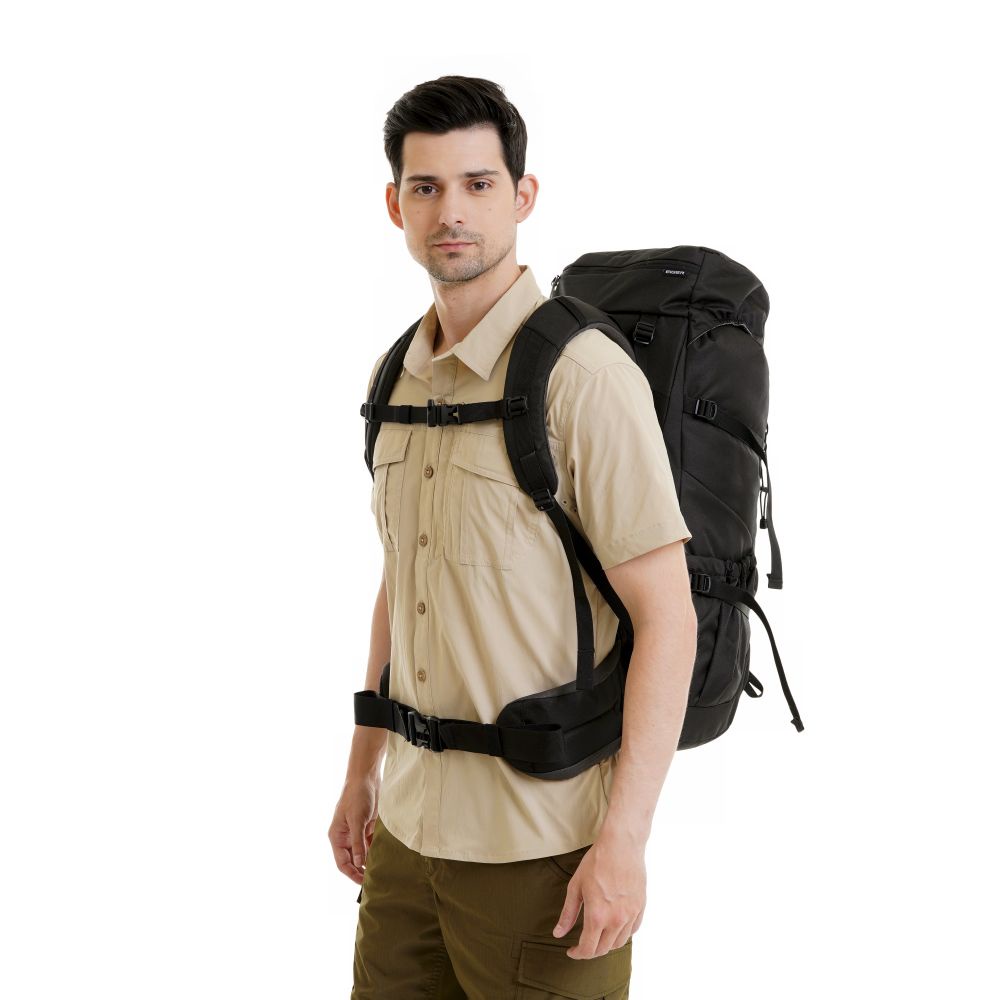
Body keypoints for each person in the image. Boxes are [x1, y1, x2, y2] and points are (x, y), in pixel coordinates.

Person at [328, 75, 697, 999]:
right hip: (406, 839)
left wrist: (624, 843)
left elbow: (669, 617)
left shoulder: (583, 377)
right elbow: (402, 579)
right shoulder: (393, 380)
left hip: (544, 852)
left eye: (478, 184)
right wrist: (361, 771)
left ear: (523, 196)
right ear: (396, 205)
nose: (451, 211)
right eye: (426, 187)